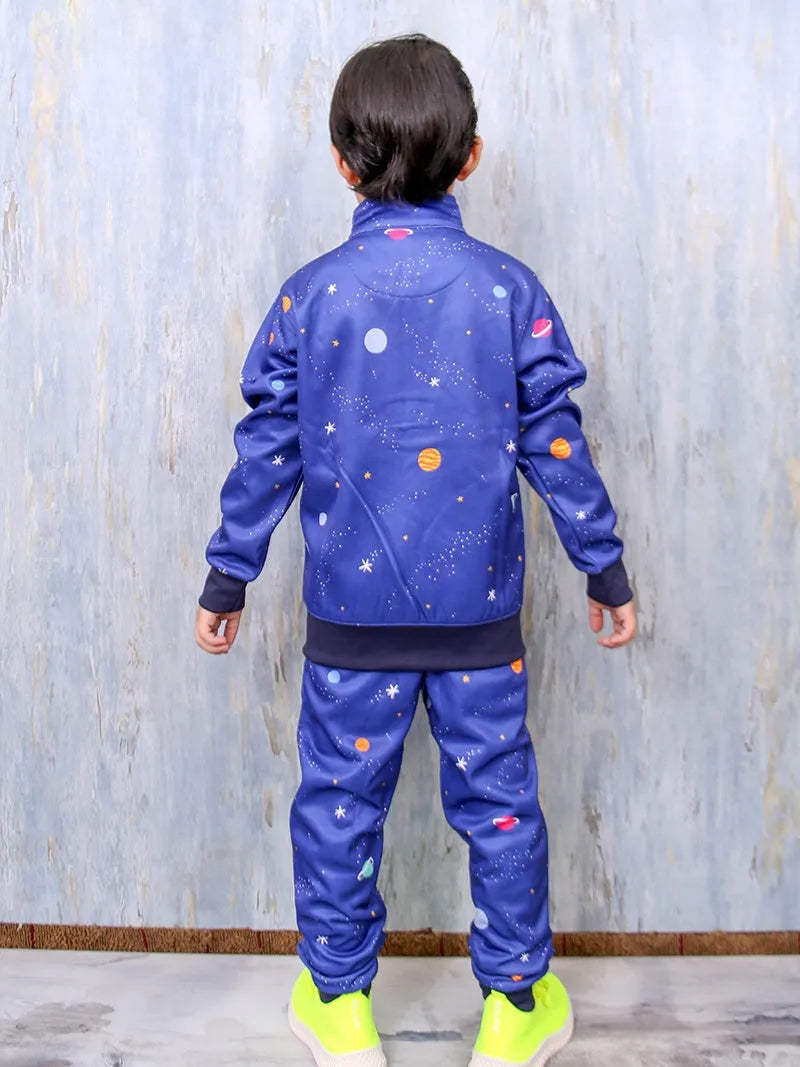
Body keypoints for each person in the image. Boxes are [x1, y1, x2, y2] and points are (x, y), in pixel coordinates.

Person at [195, 33, 636, 1067]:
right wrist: (602, 563)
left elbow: (266, 447)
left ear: (340, 165)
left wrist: (228, 574)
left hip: (351, 627)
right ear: (471, 157)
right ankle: (514, 1007)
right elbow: (557, 441)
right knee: (500, 808)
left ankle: (337, 1005)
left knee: (338, 808)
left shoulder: (310, 296)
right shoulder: (508, 290)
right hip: (479, 623)